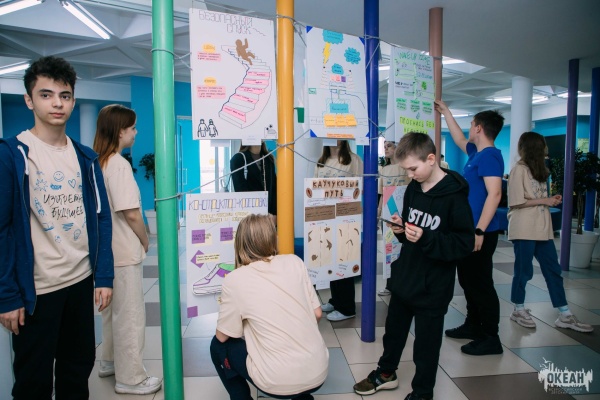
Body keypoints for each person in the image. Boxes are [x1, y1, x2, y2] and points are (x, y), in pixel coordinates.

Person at [0, 56, 114, 399]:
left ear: (73, 101)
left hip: (79, 281)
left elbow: (101, 217)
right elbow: (2, 229)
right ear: (29, 100)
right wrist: (7, 295)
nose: (57, 103)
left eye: (65, 96)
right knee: (32, 381)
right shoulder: (12, 155)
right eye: (46, 95)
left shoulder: (85, 158)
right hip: (37, 289)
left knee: (77, 371)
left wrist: (103, 276)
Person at [353, 132, 474, 400]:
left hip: (434, 286)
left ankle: (422, 393)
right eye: (406, 170)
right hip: (406, 276)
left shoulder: (454, 196)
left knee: (426, 346)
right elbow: (412, 234)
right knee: (394, 333)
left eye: (412, 169)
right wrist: (401, 230)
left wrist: (426, 237)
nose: (409, 175)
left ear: (431, 159)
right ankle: (386, 373)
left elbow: (463, 244)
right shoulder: (413, 189)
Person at [210, 214, 329, 400]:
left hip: (277, 381)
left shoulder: (235, 279)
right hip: (318, 371)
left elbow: (222, 336)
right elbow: (317, 313)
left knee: (218, 347)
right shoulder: (295, 262)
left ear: (240, 243)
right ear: (273, 237)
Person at [93, 104, 163, 395]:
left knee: (112, 313)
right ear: (119, 131)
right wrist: (146, 239)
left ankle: (109, 361)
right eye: (132, 128)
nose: (135, 132)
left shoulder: (100, 162)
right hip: (123, 251)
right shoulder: (119, 165)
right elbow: (131, 213)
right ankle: (131, 378)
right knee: (130, 316)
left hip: (107, 253)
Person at [434, 100, 505, 356]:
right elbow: (458, 139)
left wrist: (479, 231)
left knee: (480, 284)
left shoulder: (490, 156)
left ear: (478, 128)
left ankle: (491, 337)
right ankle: (473, 324)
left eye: (472, 124)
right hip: (469, 231)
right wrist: (446, 112)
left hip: (480, 232)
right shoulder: (477, 153)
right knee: (468, 280)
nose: (469, 128)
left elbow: (495, 194)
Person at [508, 132, 593, 332]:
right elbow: (516, 202)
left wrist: (550, 199)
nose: (546, 149)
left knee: (553, 270)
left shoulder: (539, 170)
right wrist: (545, 200)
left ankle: (564, 313)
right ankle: (518, 309)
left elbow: (536, 198)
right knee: (524, 271)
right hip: (524, 228)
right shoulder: (519, 170)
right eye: (543, 146)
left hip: (542, 229)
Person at [314, 140, 363, 321]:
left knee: (344, 261)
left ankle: (347, 308)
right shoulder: (321, 162)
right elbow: (315, 189)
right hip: (326, 218)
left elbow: (361, 188)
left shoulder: (353, 160)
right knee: (331, 261)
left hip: (345, 219)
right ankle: (335, 301)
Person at [378, 140, 411, 296]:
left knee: (404, 250)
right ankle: (390, 284)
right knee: (389, 249)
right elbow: (382, 194)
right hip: (388, 215)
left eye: (389, 146)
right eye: (384, 146)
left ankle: (404, 283)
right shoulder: (384, 170)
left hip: (403, 214)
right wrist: (379, 212)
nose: (386, 149)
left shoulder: (406, 167)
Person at [230, 143, 277, 217]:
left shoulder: (268, 158)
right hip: (249, 216)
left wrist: (274, 215)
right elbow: (240, 191)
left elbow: (273, 189)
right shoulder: (238, 159)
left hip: (268, 216)